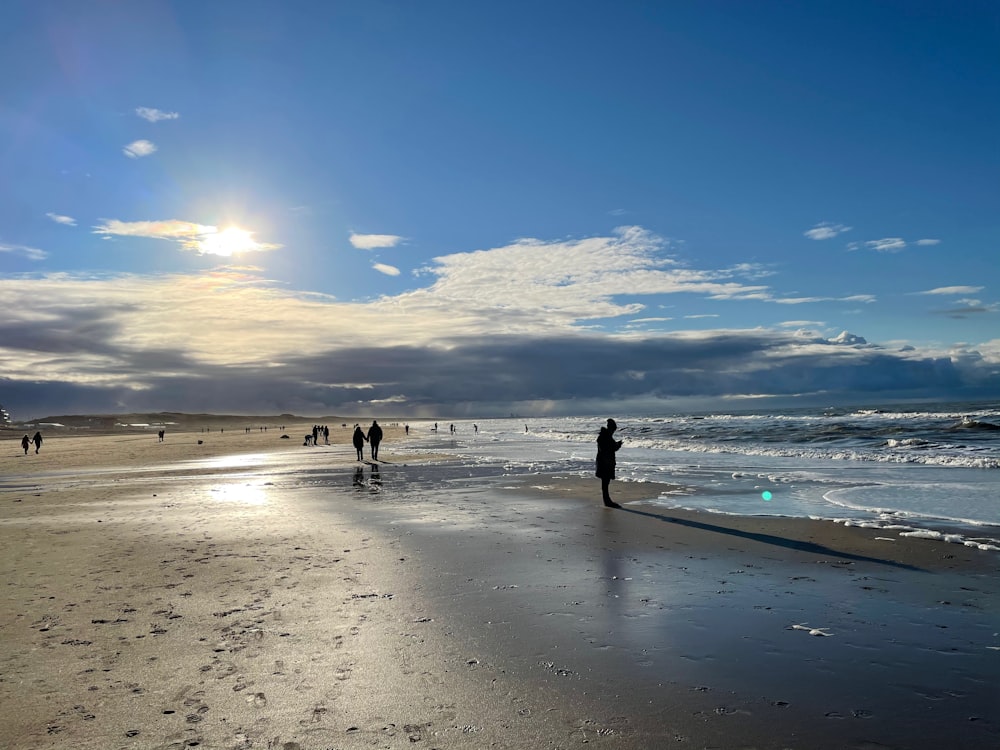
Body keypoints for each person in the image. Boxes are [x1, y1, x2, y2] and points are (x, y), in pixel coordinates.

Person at [595, 418, 623, 508]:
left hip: (606, 461)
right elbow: (605, 449)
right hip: (605, 462)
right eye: (613, 429)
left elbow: (610, 449)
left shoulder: (606, 436)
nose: (613, 431)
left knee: (606, 482)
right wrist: (615, 446)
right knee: (605, 482)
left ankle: (607, 500)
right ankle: (607, 501)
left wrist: (617, 445)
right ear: (610, 428)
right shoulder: (604, 437)